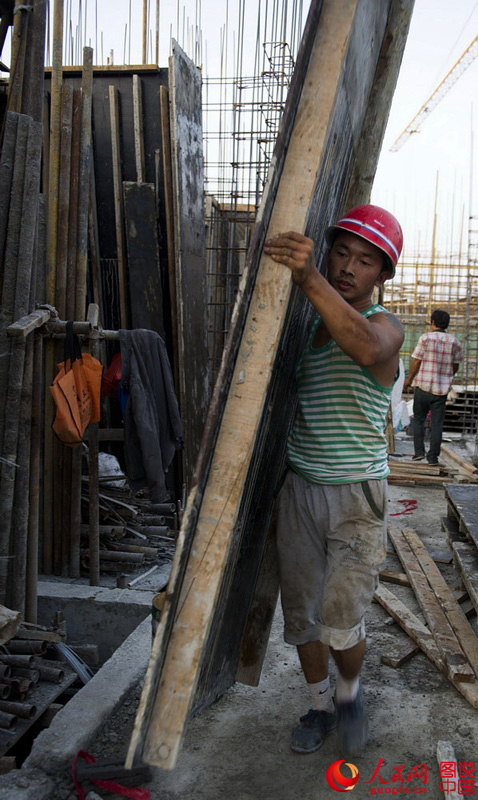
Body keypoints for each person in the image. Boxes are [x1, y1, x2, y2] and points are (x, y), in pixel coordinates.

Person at [263, 204, 404, 758]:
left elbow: (366, 347)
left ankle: (349, 697)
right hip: (300, 490)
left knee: (342, 620)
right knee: (303, 615)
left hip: (356, 497)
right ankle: (321, 706)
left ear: (383, 274)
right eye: (341, 253)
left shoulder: (385, 328)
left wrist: (308, 278)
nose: (348, 267)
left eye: (365, 261)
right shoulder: (308, 327)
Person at [403, 309, 462, 464]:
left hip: (423, 386)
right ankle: (433, 457)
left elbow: (417, 361)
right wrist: (447, 376)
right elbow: (455, 366)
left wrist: (409, 379)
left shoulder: (425, 338)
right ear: (447, 324)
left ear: (433, 321)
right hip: (440, 390)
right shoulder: (454, 342)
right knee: (437, 423)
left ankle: (419, 452)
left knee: (419, 420)